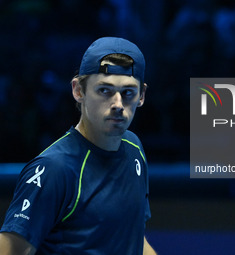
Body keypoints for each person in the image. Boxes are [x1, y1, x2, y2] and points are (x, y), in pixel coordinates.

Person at [0, 37, 157, 255]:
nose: (118, 104)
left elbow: (133, 237)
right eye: (105, 90)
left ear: (142, 95)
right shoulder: (53, 169)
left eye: (128, 92)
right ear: (78, 90)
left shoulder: (134, 148)